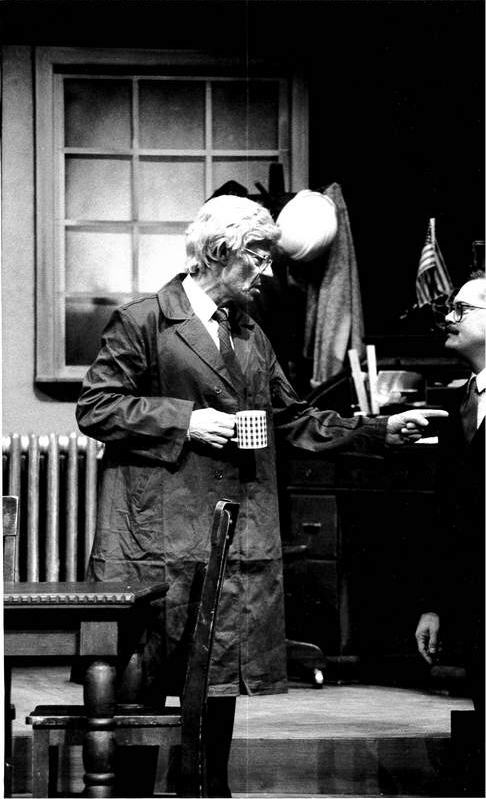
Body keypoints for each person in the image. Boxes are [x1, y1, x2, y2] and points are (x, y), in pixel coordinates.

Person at [76, 194, 446, 797]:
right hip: (157, 532)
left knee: (217, 678)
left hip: (228, 532)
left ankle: (205, 791)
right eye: (259, 257)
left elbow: (292, 418)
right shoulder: (145, 320)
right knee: (142, 685)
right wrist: (187, 422)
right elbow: (96, 407)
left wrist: (377, 430)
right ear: (220, 252)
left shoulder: (249, 332)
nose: (269, 272)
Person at [415, 274, 485, 789]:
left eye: (463, 309)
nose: (449, 318)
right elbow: (447, 519)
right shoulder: (461, 401)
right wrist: (434, 605)